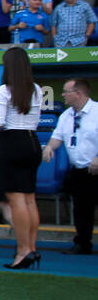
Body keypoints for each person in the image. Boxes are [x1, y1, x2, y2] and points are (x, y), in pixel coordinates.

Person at [0, 46, 43, 269]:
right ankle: (32, 248)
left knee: (17, 199)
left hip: (13, 143)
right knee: (29, 198)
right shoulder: (36, 89)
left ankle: (23, 251)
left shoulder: (5, 90)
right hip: (32, 141)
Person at [42, 79, 96, 255]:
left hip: (96, 167)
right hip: (80, 171)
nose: (63, 95)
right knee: (81, 209)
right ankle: (83, 243)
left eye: (66, 92)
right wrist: (50, 146)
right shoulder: (66, 115)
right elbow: (58, 136)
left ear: (78, 93)